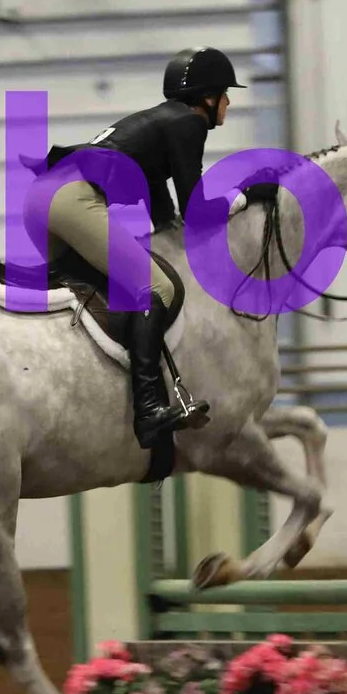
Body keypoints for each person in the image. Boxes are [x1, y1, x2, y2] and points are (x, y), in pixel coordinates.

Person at [42, 46, 243, 449]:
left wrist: (170, 227)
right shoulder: (189, 123)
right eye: (224, 94)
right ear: (207, 98)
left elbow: (166, 209)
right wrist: (241, 198)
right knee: (157, 288)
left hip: (42, 198)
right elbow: (196, 209)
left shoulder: (158, 122)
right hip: (71, 199)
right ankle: (149, 410)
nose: (228, 103)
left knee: (97, 290)